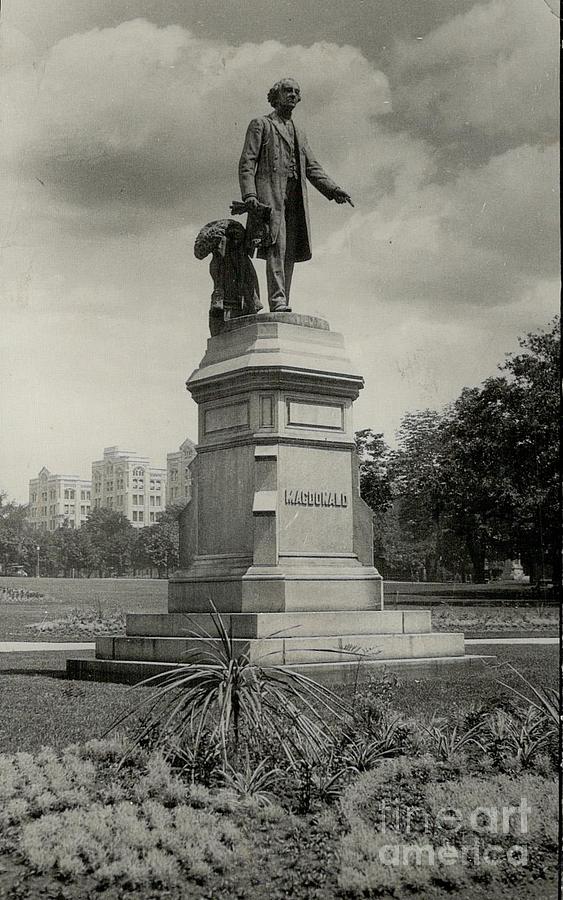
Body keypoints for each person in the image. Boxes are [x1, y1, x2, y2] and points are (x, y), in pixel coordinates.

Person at [239, 78, 353, 311]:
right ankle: (278, 300)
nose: (292, 95)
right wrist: (250, 194)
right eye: (287, 91)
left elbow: (312, 167)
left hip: (295, 199)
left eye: (296, 92)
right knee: (275, 247)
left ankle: (283, 300)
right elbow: (247, 163)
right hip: (269, 198)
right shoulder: (261, 124)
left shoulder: (299, 132)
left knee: (289, 251)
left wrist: (333, 189)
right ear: (276, 96)